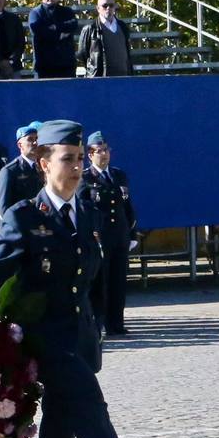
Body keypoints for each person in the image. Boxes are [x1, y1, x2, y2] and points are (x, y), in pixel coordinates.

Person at [0, 119, 167, 438]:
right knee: (88, 400)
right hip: (42, 339)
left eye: (79, 159)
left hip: (78, 337)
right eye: (67, 159)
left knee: (59, 435)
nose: (76, 167)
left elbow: (90, 282)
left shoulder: (89, 210)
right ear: (43, 163)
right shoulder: (24, 216)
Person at [83, 131, 137, 335]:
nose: (103, 155)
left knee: (119, 281)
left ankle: (117, 323)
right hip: (99, 238)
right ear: (90, 154)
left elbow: (127, 207)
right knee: (101, 282)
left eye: (106, 150)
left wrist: (132, 234)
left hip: (119, 236)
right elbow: (84, 209)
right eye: (99, 151)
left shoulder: (118, 175)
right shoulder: (86, 177)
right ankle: (101, 323)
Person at [28, 0, 80, 79]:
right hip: (44, 66)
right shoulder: (35, 13)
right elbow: (39, 31)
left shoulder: (67, 11)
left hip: (66, 65)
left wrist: (55, 27)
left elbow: (74, 25)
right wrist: (62, 32)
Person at [77, 0, 132, 78]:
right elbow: (82, 54)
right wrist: (92, 67)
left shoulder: (122, 26)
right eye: (105, 6)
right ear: (98, 8)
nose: (108, 8)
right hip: (100, 78)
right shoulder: (90, 28)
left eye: (111, 5)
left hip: (123, 76)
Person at [0, 121, 44, 216]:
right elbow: (3, 209)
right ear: (20, 145)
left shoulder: (42, 167)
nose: (35, 142)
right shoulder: (10, 171)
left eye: (36, 139)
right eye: (30, 139)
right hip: (21, 226)